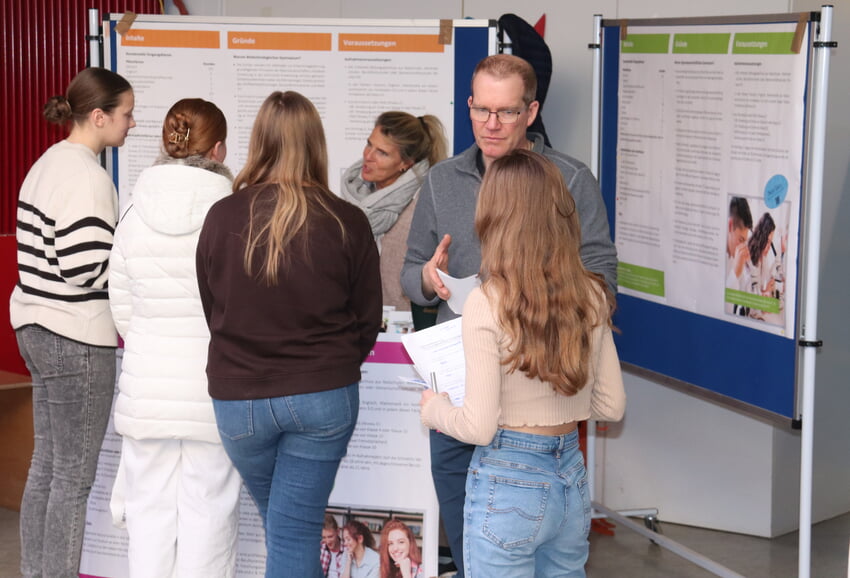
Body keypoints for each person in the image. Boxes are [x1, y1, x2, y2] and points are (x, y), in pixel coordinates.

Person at [400, 53, 618, 577]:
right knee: (475, 535)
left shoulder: (568, 178)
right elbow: (410, 272)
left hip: (534, 383)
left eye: (506, 112)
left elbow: (602, 277)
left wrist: (538, 304)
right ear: (469, 106)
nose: (490, 125)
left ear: (531, 111)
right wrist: (429, 280)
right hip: (460, 378)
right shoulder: (442, 180)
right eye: (481, 110)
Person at [196, 91, 382, 578]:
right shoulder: (348, 221)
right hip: (322, 396)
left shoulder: (222, 216)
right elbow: (367, 321)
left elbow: (213, 308)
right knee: (292, 530)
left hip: (240, 402)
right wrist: (332, 364)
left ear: (258, 142)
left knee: (287, 528)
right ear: (315, 144)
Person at [107, 98, 241, 578]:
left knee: (147, 517)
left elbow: (120, 306)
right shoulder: (233, 215)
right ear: (220, 149)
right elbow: (242, 307)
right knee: (210, 513)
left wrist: (149, 340)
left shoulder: (132, 212)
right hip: (215, 390)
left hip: (147, 391)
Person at [10, 67, 134, 578]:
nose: (131, 123)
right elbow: (85, 268)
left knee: (48, 466)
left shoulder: (47, 163)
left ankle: (36, 571)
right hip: (76, 335)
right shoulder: (86, 175)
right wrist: (132, 264)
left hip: (36, 326)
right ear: (99, 116)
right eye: (126, 114)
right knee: (73, 479)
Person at [341, 111, 447, 312]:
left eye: (382, 152)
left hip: (404, 326)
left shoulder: (422, 207)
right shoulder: (351, 200)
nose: (368, 156)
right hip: (355, 325)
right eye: (369, 144)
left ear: (406, 164)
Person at [725, 196, 753, 315]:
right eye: (741, 239)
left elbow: (743, 292)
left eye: (744, 241)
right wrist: (735, 272)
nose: (742, 245)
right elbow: (722, 310)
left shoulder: (734, 256)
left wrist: (747, 270)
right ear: (730, 225)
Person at [321, 513, 347, 578]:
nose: (327, 541)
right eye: (324, 537)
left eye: (330, 536)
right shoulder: (320, 548)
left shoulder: (347, 550)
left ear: (338, 532)